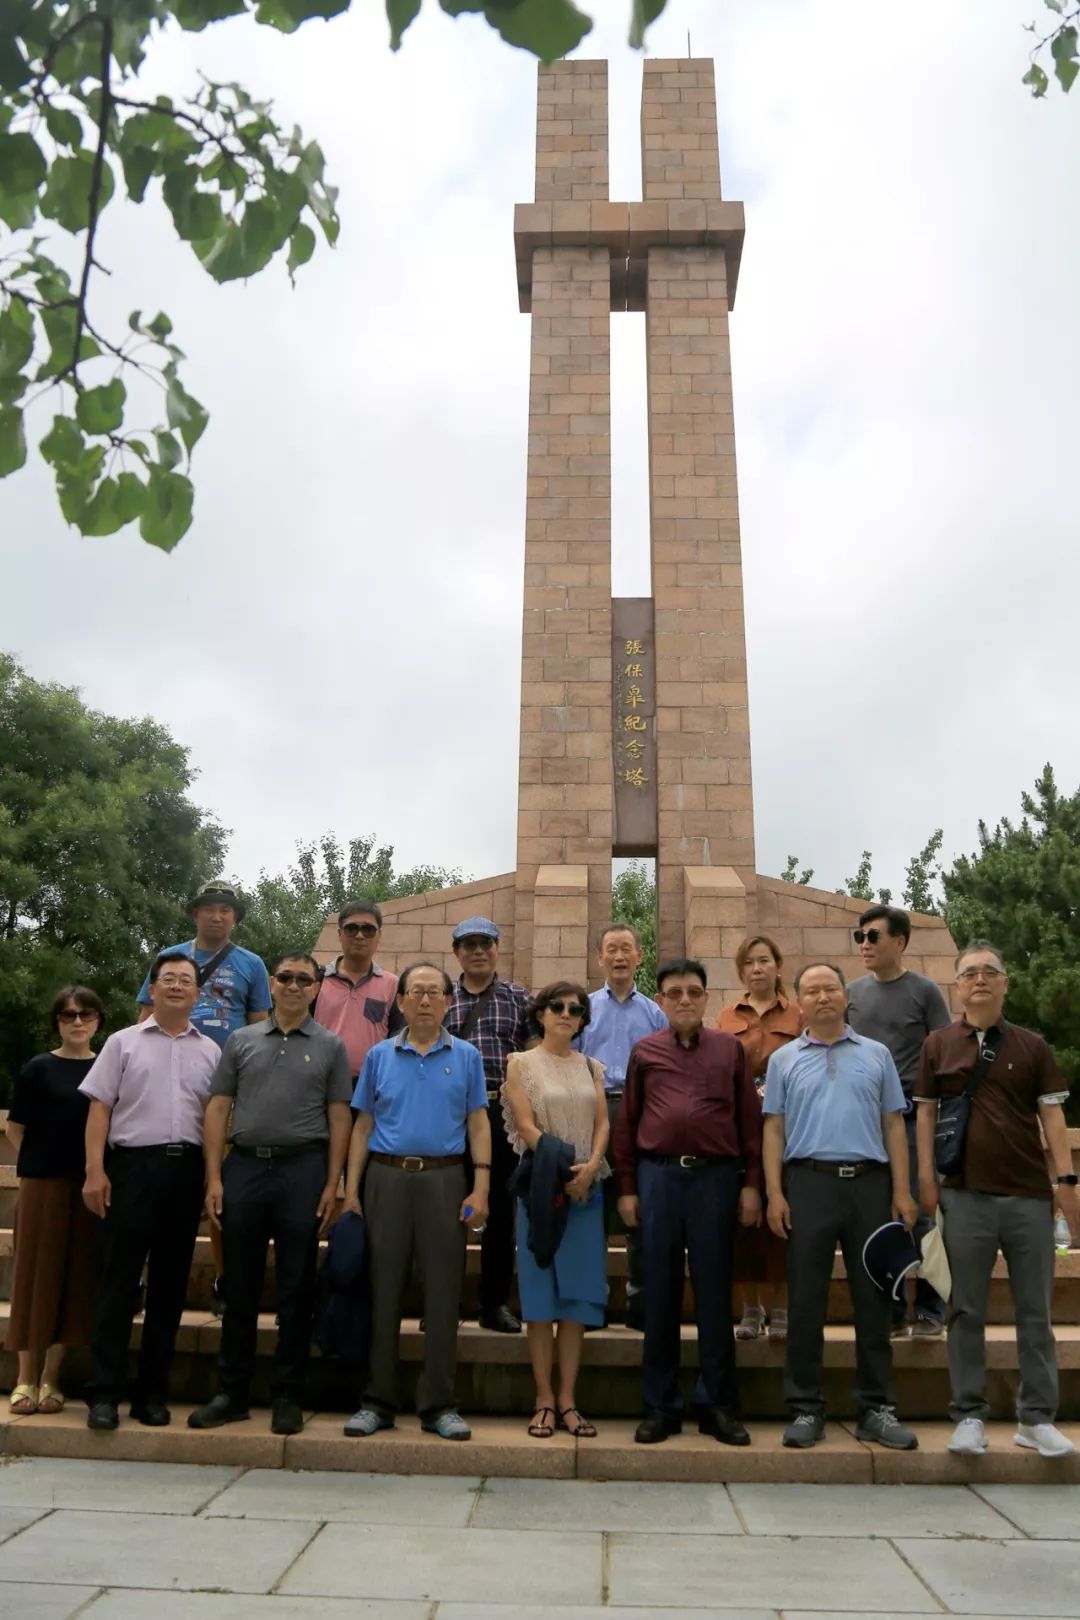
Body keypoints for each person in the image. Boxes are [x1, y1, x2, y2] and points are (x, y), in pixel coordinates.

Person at [915, 939, 1079, 1460]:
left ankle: (1037, 1418)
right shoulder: (937, 1044)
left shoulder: (1033, 1046)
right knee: (966, 1309)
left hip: (1030, 1197)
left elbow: (1052, 1118)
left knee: (1035, 1311)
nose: (980, 979)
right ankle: (968, 1414)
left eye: (991, 971)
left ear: (1006, 983)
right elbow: (923, 1115)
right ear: (957, 986)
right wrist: (924, 1178)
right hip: (963, 1196)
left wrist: (1067, 1181)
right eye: (970, 973)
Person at [188, 952, 353, 1436]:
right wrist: (214, 1176)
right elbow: (218, 1107)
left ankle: (288, 1393)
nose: (295, 986)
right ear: (273, 984)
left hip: (303, 1169)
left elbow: (340, 1116)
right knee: (238, 1286)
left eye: (305, 979)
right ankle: (232, 1392)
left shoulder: (330, 1046)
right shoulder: (241, 1040)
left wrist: (332, 1182)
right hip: (244, 1168)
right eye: (286, 977)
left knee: (296, 1287)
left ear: (318, 987)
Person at [763, 961, 919, 1451]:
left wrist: (902, 1188)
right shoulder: (784, 1059)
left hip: (870, 1185)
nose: (823, 996)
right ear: (799, 1002)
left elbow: (895, 1123)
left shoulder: (876, 1055)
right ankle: (806, 1407)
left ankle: (876, 1406)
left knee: (874, 1298)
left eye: (831, 987)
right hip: (809, 1183)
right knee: (806, 1299)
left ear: (845, 996)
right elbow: (773, 1129)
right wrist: (774, 1192)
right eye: (813, 990)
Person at [613, 958, 763, 1447]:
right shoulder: (645, 1052)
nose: (683, 1000)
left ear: (705, 997)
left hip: (714, 1183)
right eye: (674, 992)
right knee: (658, 1294)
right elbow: (627, 1126)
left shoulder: (729, 1051)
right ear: (660, 1000)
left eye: (693, 992)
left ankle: (717, 1404)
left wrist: (751, 1184)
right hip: (658, 1181)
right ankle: (661, 1406)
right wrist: (629, 1189)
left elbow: (749, 1123)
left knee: (715, 1296)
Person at [343, 961, 490, 1441]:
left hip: (445, 1182)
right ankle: (378, 1401)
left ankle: (439, 1404)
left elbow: (477, 1123)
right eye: (416, 991)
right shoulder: (381, 1056)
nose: (425, 999)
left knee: (444, 1293)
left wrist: (481, 1184)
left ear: (449, 1001)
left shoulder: (466, 1056)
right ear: (400, 1001)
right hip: (386, 1179)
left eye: (434, 991)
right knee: (382, 1289)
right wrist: (352, 1192)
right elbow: (362, 1126)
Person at [80, 953, 220, 1430]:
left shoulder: (211, 1051)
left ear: (198, 995)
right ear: (153, 989)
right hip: (131, 1170)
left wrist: (211, 1176)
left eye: (187, 981)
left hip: (186, 1174)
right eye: (169, 980)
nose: (178, 987)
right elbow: (100, 1110)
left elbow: (217, 1121)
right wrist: (94, 1171)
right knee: (118, 1282)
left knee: (169, 1287)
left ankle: (151, 1394)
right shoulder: (122, 1043)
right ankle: (104, 1394)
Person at [136, 879, 272, 1315]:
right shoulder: (170, 959)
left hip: (226, 1087)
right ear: (195, 913)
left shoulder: (251, 964)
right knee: (149, 1183)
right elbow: (143, 1019)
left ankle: (225, 1279)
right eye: (209, 908)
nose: (217, 915)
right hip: (168, 1082)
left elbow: (259, 1028)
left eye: (226, 909)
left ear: (235, 917)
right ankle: (138, 1280)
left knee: (223, 1188)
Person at [503, 981, 610, 1438]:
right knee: (541, 1298)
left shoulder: (592, 1066)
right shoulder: (521, 1064)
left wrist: (591, 1168)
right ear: (540, 1014)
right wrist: (563, 1167)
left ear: (583, 1020)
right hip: (544, 1189)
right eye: (557, 1006)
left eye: (575, 1009)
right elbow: (525, 1124)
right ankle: (543, 1397)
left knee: (577, 1299)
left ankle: (568, 1398)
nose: (566, 1014)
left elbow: (603, 1121)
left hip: (587, 1190)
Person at [846, 904, 951, 1339]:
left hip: (911, 1116)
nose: (865, 945)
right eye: (860, 937)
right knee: (877, 1217)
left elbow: (945, 1055)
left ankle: (930, 1309)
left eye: (874, 936)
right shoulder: (850, 992)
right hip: (863, 1121)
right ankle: (890, 1313)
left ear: (901, 942)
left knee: (921, 1215)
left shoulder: (925, 992)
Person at [5, 986, 106, 1416]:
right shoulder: (38, 1068)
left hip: (88, 1185)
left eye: (85, 1014)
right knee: (33, 1276)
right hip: (44, 1184)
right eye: (68, 1016)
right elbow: (16, 1128)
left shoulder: (107, 1067)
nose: (77, 1021)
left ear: (98, 1020)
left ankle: (52, 1379)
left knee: (74, 1278)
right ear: (57, 1022)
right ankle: (25, 1376)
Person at [577, 924, 666, 1331]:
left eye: (626, 949)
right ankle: (591, 1304)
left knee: (638, 1207)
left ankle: (641, 1306)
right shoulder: (582, 1009)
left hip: (639, 1113)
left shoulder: (654, 1013)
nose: (618, 956)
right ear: (599, 958)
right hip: (592, 1113)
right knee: (591, 1207)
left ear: (639, 957)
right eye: (611, 949)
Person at [444, 916, 530, 1334]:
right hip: (450, 1114)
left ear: (498, 947)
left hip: (501, 1113)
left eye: (486, 942)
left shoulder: (517, 997)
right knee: (448, 1209)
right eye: (469, 944)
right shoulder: (441, 998)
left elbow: (533, 1056)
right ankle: (444, 1303)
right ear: (457, 951)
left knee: (499, 1211)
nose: (478, 950)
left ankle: (494, 1303)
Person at [715, 935, 802, 1342]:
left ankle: (782, 1307)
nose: (758, 968)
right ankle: (750, 1308)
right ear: (741, 971)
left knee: (783, 1218)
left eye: (765, 960)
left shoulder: (799, 1015)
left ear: (778, 966)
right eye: (749, 962)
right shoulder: (727, 1017)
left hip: (790, 1125)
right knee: (743, 1220)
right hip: (738, 1126)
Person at [314, 899, 399, 1078]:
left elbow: (398, 1037)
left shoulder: (393, 985)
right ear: (340, 933)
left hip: (372, 1087)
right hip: (321, 1084)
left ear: (379, 935)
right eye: (351, 929)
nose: (359, 936)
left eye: (368, 930)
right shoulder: (317, 980)